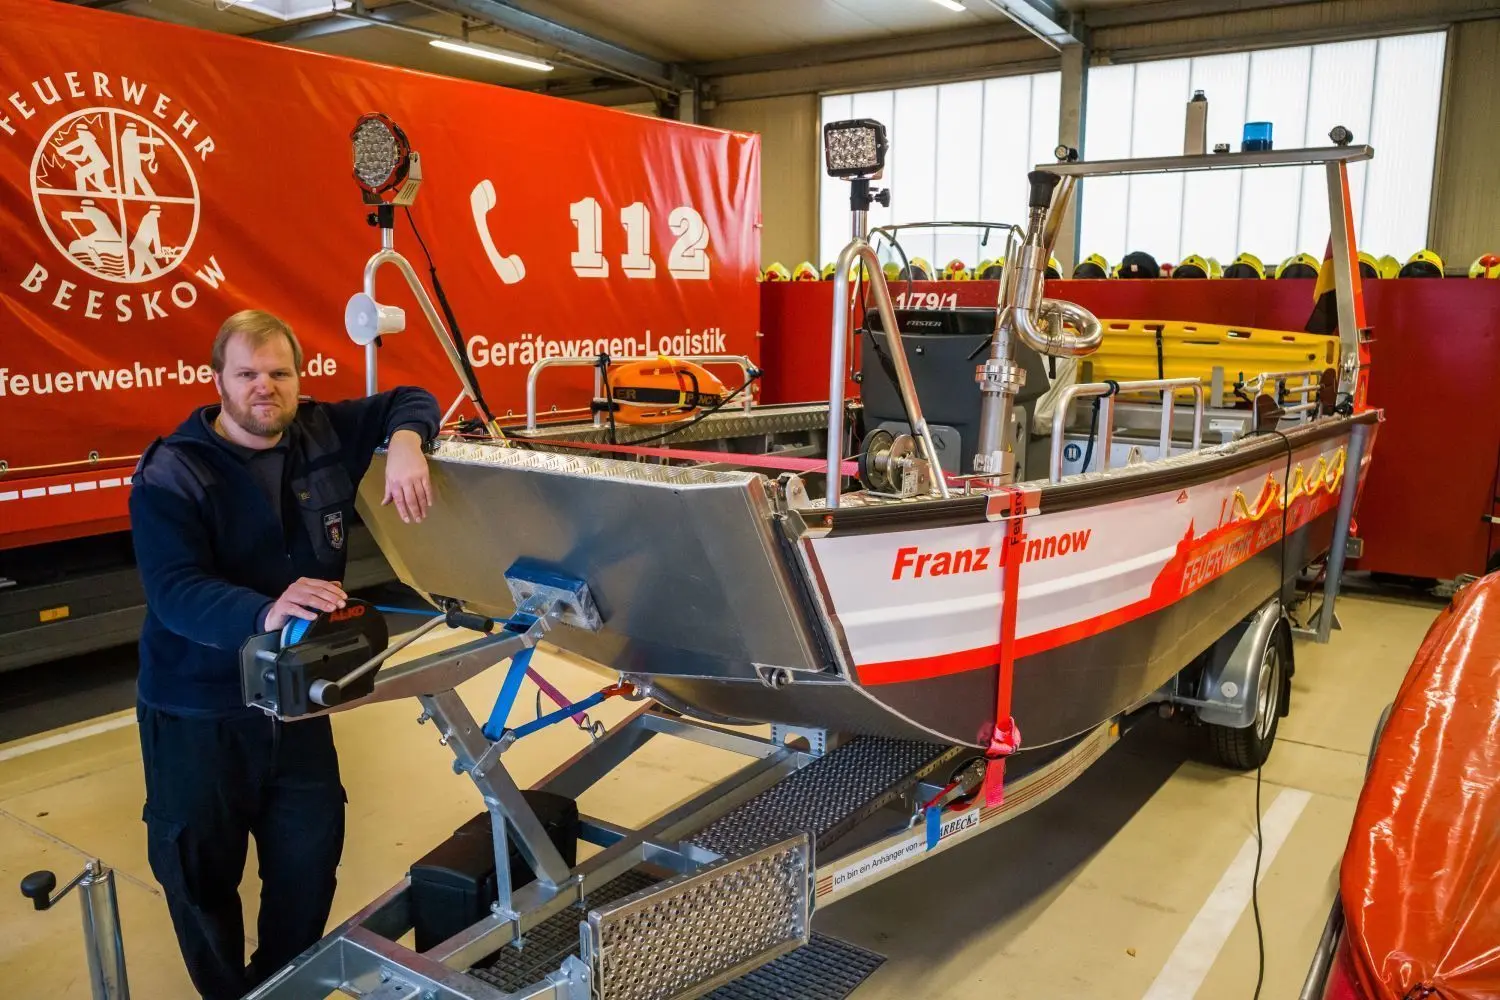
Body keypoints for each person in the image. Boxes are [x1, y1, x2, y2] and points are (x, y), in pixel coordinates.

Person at [128, 309, 441, 999]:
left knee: (308, 860)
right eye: (247, 374)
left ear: (299, 379)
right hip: (198, 712)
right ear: (218, 382)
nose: (264, 388)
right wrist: (263, 611)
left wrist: (410, 442)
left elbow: (409, 399)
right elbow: (174, 591)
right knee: (198, 874)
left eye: (279, 373)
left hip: (297, 706)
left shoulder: (320, 431)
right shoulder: (172, 473)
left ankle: (280, 987)